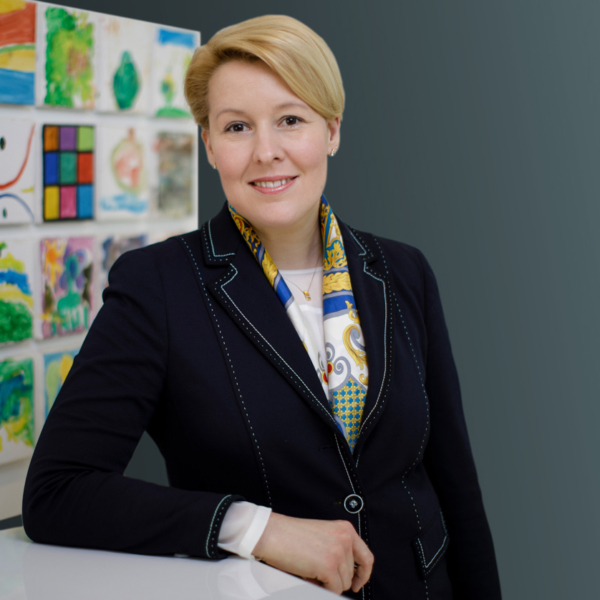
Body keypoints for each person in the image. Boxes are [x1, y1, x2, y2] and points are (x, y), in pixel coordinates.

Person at [22, 14, 502, 600]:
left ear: (332, 130)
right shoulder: (157, 286)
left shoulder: (403, 270)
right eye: (237, 127)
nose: (266, 152)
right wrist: (256, 528)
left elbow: (456, 487)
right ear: (209, 145)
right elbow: (57, 491)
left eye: (291, 120)